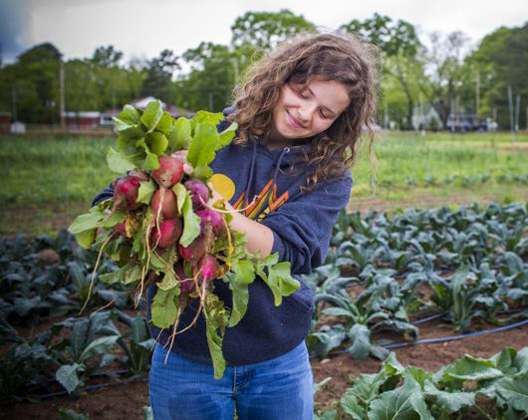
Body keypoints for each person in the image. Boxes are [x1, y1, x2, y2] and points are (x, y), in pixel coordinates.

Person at [94, 32, 378, 419]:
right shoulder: (206, 134)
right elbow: (112, 206)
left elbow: (289, 251)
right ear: (279, 78)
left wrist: (211, 203)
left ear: (339, 122)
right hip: (184, 348)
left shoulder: (326, 175)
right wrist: (157, 179)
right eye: (302, 92)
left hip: (276, 357)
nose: (307, 113)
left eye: (325, 113)